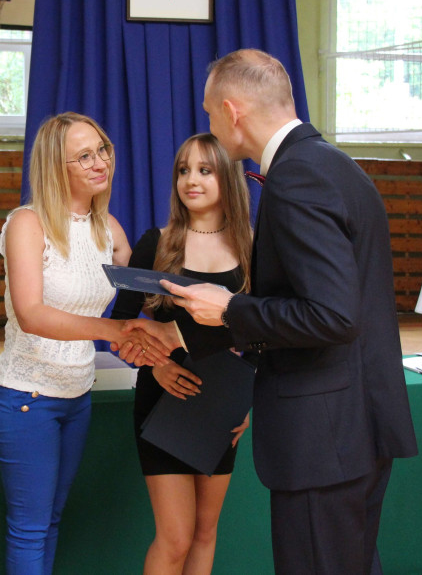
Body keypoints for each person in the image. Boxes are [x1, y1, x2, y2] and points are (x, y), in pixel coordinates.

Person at [142, 49, 418, 574]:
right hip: (354, 425)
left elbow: (333, 316)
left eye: (208, 113)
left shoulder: (297, 178)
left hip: (323, 436)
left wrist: (231, 310)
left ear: (232, 110)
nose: (210, 124)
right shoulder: (335, 165)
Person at [0, 112, 171, 575]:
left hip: (77, 394)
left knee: (50, 521)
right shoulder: (27, 224)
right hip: (28, 396)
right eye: (84, 156)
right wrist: (113, 332)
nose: (100, 162)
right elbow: (31, 314)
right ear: (57, 166)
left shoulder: (107, 228)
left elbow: (145, 299)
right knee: (29, 528)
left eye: (103, 150)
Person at [110, 133, 254, 575]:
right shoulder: (157, 242)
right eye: (183, 170)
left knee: (205, 534)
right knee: (174, 538)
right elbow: (121, 327)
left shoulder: (253, 246)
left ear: (227, 176)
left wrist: (248, 406)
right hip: (161, 403)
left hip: (224, 406)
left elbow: (267, 333)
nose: (191, 180)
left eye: (205, 170)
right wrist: (160, 366)